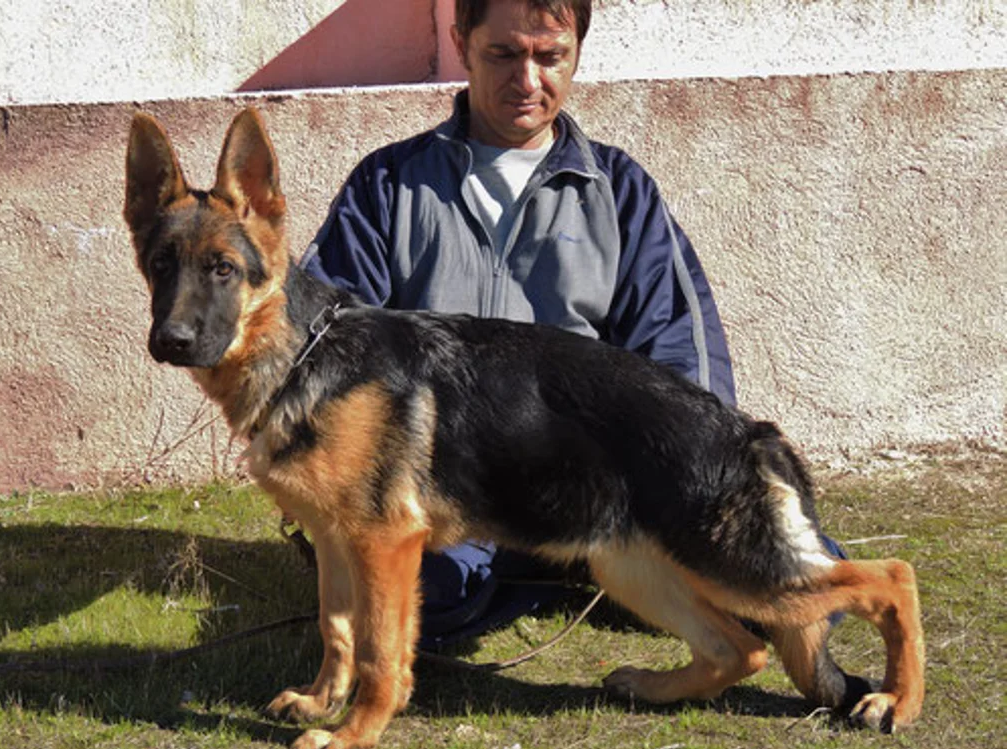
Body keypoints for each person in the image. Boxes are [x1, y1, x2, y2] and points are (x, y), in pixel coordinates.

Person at [300, 0, 843, 649]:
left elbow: (681, 359)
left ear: (578, 49)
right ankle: (526, 576)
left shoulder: (621, 191)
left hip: (595, 495)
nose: (527, 80)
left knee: (789, 579)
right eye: (503, 54)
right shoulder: (388, 185)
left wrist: (679, 496)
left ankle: (575, 568)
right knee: (422, 600)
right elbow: (323, 352)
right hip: (448, 500)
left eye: (549, 56)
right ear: (462, 42)